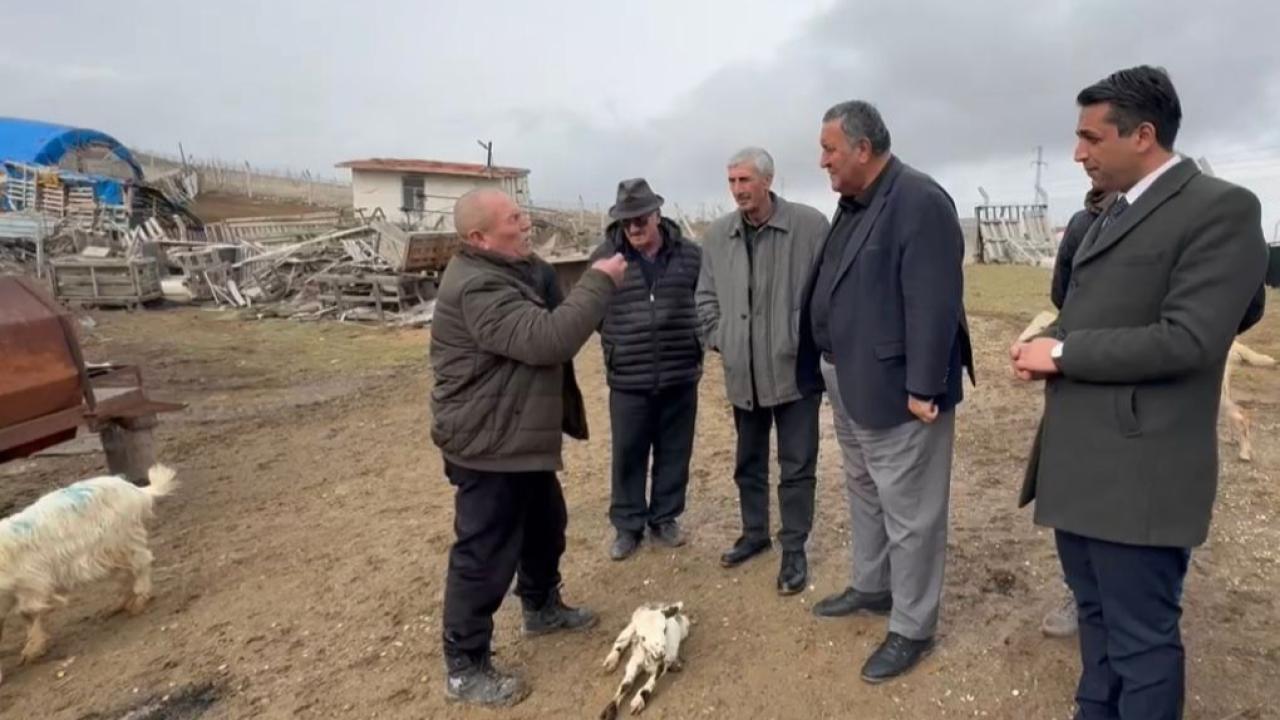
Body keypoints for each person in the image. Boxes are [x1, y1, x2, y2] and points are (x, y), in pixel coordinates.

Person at [1012, 66, 1267, 719]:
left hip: (1140, 470)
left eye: (1091, 137)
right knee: (1095, 619)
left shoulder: (1220, 208)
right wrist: (1049, 343)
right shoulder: (1110, 212)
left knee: (1142, 641)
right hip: (1081, 463)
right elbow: (1089, 311)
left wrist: (1063, 354)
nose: (1078, 153)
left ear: (1144, 135)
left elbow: (1190, 338)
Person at [796, 100, 973, 683]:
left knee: (912, 510)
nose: (822, 161)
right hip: (847, 377)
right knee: (865, 489)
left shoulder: (918, 199)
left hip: (900, 390)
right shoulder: (855, 201)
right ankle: (873, 586)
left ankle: (913, 626)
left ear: (863, 149)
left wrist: (924, 386)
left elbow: (935, 301)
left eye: (829, 150)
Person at [430, 188, 628, 707]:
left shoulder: (511, 269)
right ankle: (464, 665)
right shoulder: (477, 286)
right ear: (479, 237)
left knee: (545, 525)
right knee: (483, 552)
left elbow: (555, 300)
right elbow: (547, 340)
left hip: (515, 435)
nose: (526, 223)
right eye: (513, 218)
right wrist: (600, 281)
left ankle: (541, 607)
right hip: (486, 441)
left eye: (522, 213)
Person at [696, 147, 830, 594]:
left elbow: (828, 294)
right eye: (732, 181)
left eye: (745, 180)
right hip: (744, 372)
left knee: (797, 466)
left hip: (795, 373)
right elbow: (704, 297)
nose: (737, 190)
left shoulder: (809, 226)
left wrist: (800, 337)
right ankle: (754, 534)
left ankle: (793, 549)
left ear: (767, 181)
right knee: (748, 462)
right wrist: (723, 338)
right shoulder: (718, 236)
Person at [588, 178, 703, 561]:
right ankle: (628, 525)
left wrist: (693, 341)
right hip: (629, 377)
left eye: (640, 219)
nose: (634, 228)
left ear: (657, 215)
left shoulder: (690, 256)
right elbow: (593, 311)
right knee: (628, 453)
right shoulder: (604, 259)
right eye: (626, 222)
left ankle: (665, 518)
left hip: (680, 372)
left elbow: (705, 301)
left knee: (675, 451)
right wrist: (621, 343)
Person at [1041, 183, 1116, 639]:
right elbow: (1062, 295)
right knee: (1075, 492)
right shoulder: (1082, 225)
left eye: (1095, 147)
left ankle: (1132, 598)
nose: (1082, 156)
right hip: (1082, 378)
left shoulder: (1183, 215)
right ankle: (1082, 592)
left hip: (1146, 384)